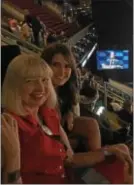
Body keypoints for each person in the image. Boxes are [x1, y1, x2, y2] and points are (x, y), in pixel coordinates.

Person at [1, 54, 133, 184]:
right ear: (15, 85)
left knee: (122, 159)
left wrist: (107, 151)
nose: (40, 88)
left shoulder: (48, 114)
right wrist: (13, 158)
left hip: (68, 178)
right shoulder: (8, 125)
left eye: (44, 80)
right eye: (30, 81)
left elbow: (70, 159)